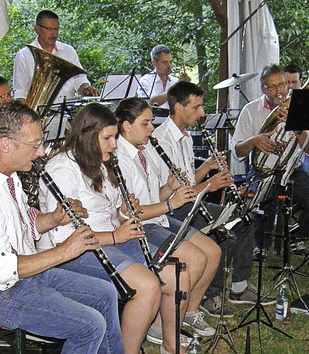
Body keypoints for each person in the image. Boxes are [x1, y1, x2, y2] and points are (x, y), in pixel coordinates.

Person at [0, 101, 124, 354]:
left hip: (24, 273)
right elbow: (1, 270)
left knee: (105, 292)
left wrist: (54, 219)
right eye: (34, 145)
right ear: (6, 144)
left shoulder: (7, 174)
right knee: (89, 325)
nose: (40, 152)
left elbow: (23, 224)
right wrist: (65, 251)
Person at [38, 102, 184, 354]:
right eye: (107, 138)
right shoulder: (62, 169)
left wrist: (125, 212)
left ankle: (169, 345)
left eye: (114, 137)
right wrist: (116, 236)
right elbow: (64, 237)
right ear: (86, 136)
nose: (114, 145)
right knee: (147, 286)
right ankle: (127, 349)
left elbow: (112, 210)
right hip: (75, 251)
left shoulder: (101, 161)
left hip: (110, 239)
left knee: (171, 275)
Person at [152, 81, 272, 318]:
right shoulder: (163, 140)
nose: (202, 113)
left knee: (243, 219)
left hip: (189, 202)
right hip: (171, 211)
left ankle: (238, 287)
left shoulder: (184, 135)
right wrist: (209, 185)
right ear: (177, 107)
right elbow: (175, 194)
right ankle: (210, 296)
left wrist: (207, 167)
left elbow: (186, 180)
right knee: (224, 232)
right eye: (196, 107)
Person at [115, 97, 221, 340]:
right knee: (193, 259)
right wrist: (171, 203)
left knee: (211, 252)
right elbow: (133, 212)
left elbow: (154, 194)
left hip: (159, 218)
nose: (152, 128)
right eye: (146, 123)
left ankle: (187, 313)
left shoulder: (145, 150)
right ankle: (162, 326)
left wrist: (170, 187)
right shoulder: (119, 158)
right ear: (126, 126)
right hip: (142, 226)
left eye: (151, 123)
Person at [232, 64, 309, 257]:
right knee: (265, 204)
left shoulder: (301, 108)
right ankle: (261, 245)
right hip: (262, 170)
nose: (278, 91)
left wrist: (296, 126)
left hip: (291, 170)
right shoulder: (251, 110)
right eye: (271, 87)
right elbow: (237, 151)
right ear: (263, 88)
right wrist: (255, 140)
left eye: (281, 84)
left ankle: (296, 235)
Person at [12, 10, 98, 104]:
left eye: (56, 29)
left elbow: (79, 79)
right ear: (37, 29)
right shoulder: (24, 55)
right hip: (36, 115)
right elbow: (20, 93)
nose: (54, 34)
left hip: (67, 114)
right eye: (49, 29)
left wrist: (86, 88)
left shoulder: (69, 51)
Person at [137, 45, 191, 111]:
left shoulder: (175, 81)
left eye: (170, 62)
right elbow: (152, 102)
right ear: (154, 63)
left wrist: (187, 87)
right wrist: (175, 88)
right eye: (165, 62)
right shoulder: (146, 80)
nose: (169, 66)